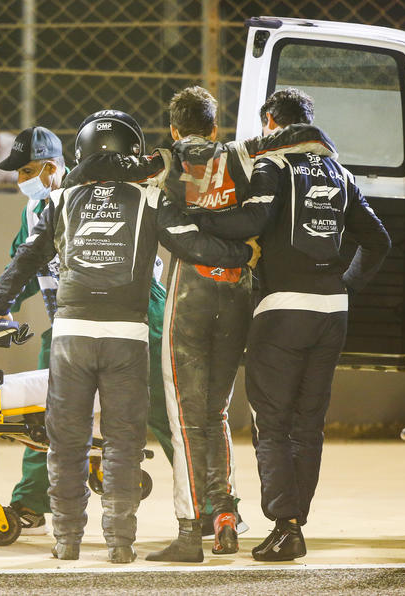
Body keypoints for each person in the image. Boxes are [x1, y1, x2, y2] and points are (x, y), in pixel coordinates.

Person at [63, 86, 335, 561]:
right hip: (237, 289)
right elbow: (292, 138)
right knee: (218, 412)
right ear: (216, 126)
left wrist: (74, 176)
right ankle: (225, 516)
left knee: (185, 419)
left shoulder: (162, 160)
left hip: (190, 287)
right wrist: (320, 141)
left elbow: (104, 169)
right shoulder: (245, 154)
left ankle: (191, 532)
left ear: (173, 129)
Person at [0, 110, 256, 564]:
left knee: (67, 443)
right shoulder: (149, 195)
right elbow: (192, 245)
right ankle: (121, 544)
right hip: (129, 335)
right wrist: (243, 253)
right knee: (125, 442)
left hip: (70, 335)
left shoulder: (60, 198)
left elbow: (27, 257)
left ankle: (66, 540)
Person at [0, 126, 176, 536]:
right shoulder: (35, 210)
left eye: (27, 170)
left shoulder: (99, 193)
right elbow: (25, 263)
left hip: (138, 315)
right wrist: (1, 302)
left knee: (167, 412)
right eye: (17, 173)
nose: (20, 181)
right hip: (70, 322)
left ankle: (209, 506)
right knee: (46, 415)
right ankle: (31, 503)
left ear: (52, 167)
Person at [242, 89, 390, 561]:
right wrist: (344, 286)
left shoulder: (272, 165)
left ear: (271, 122)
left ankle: (285, 526)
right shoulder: (340, 173)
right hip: (332, 313)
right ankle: (295, 524)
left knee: (272, 423)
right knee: (308, 425)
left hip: (282, 310)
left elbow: (249, 220)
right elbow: (379, 241)